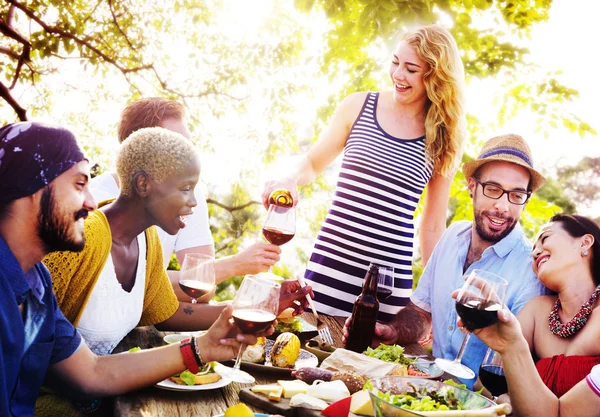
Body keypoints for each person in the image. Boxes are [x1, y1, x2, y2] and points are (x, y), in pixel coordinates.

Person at [0, 122, 269, 417]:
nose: (92, 202)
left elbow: (91, 372)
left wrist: (202, 347)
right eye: (79, 184)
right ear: (32, 187)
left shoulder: (38, 283)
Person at [262, 24, 467, 321]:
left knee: (374, 367)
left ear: (434, 76)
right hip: (331, 267)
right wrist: (289, 179)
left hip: (387, 286)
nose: (398, 75)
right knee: (311, 356)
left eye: (411, 69)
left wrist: (434, 298)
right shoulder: (358, 105)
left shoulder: (444, 138)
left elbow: (432, 225)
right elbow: (311, 163)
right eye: (395, 63)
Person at [344, 133, 549, 387]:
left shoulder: (531, 271)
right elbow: (421, 312)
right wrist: (391, 331)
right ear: (472, 187)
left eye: (516, 195)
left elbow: (519, 366)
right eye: (493, 189)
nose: (503, 206)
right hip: (425, 385)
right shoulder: (452, 236)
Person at [91, 97, 282, 300]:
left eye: (188, 147)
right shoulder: (96, 202)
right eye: (175, 147)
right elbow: (121, 288)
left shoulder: (189, 195)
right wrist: (233, 265)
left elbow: (202, 292)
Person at [470, 214, 600, 416]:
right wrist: (506, 401)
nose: (536, 252)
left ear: (585, 243)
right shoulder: (536, 311)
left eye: (545, 238)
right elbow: (482, 383)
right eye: (532, 249)